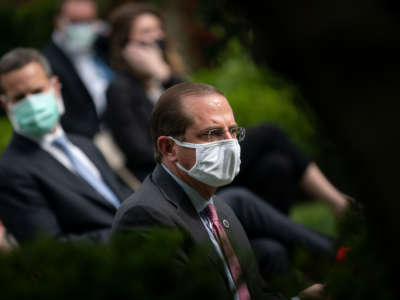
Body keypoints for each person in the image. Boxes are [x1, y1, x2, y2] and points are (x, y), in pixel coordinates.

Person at [104, 2, 350, 217]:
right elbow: (139, 152)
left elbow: (200, 109)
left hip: (209, 160)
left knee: (277, 168)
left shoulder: (169, 79)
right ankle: (339, 204)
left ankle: (280, 255)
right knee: (271, 134)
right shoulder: (119, 91)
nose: (156, 39)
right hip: (185, 172)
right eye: (146, 33)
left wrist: (165, 77)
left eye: (158, 30)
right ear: (126, 46)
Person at [112, 82, 328, 299]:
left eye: (233, 131)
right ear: (169, 148)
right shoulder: (146, 217)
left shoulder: (219, 209)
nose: (230, 143)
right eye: (212, 133)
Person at [0, 48, 132, 243]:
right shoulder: (11, 171)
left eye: (37, 91)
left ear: (54, 87)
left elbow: (123, 199)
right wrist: (132, 234)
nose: (32, 103)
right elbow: (50, 249)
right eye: (19, 97)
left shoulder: (84, 144)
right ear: (5, 104)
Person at [43, 0, 113, 139]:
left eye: (88, 21)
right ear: (58, 20)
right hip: (87, 139)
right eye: (76, 21)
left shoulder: (103, 47)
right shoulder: (46, 63)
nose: (82, 27)